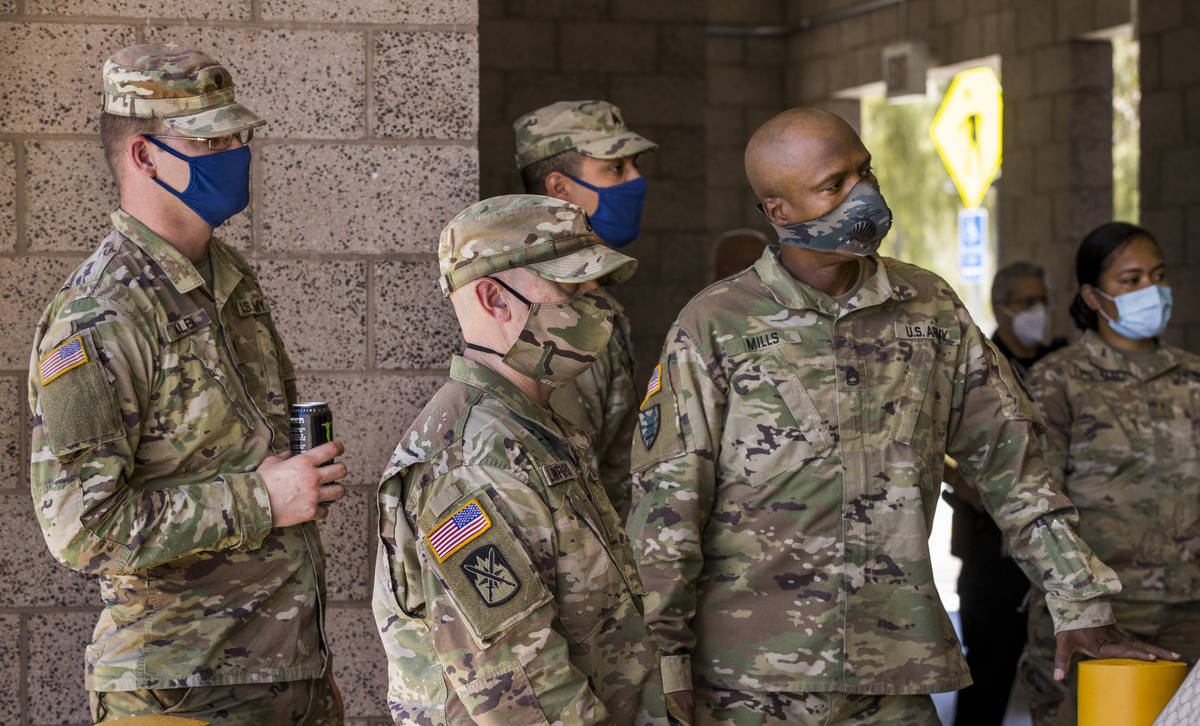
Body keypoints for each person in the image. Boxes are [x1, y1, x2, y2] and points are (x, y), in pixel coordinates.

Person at [627, 108, 1175, 726]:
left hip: (896, 669)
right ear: (778, 211)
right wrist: (663, 664)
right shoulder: (716, 324)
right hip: (750, 683)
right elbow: (667, 509)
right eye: (834, 185)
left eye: (866, 172)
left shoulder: (931, 307)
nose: (863, 195)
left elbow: (1013, 467)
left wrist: (1081, 602)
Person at [27, 44, 347, 725]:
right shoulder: (101, 314)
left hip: (285, 675)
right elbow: (83, 530)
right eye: (211, 139)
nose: (235, 152)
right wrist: (262, 497)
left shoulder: (225, 277)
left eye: (238, 135)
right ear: (144, 157)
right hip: (182, 691)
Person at [371, 194, 670, 724]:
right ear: (493, 297)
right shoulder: (474, 460)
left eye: (594, 287)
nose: (594, 306)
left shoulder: (533, 425)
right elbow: (519, 692)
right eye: (572, 288)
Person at [1018, 222, 1200, 726]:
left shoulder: (1192, 377)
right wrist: (1076, 603)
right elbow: (1032, 497)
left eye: (1159, 276)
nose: (1152, 291)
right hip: (1098, 617)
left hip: (1190, 612)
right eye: (1132, 279)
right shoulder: (1059, 379)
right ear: (1094, 296)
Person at [512, 100, 657, 520]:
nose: (637, 180)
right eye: (616, 169)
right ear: (559, 188)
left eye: (634, 165)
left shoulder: (595, 299)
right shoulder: (528, 310)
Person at [945, 261, 1067, 726]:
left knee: (1059, 677)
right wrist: (966, 486)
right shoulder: (976, 362)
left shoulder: (1060, 362)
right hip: (993, 552)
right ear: (1002, 307)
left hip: (1056, 544)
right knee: (989, 674)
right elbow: (930, 441)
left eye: (1043, 300)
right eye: (1026, 302)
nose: (1038, 311)